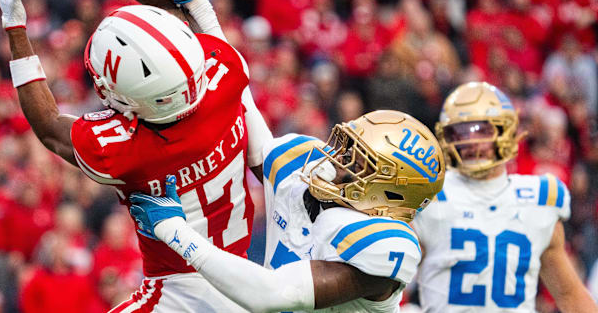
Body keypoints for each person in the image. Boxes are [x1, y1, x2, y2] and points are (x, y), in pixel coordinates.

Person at [0, 0, 272, 312]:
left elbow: (49, 128)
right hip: (245, 279)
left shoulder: (126, 149)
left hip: (177, 295)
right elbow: (176, 13)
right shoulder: (225, 73)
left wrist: (13, 20)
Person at [130, 110, 446, 312]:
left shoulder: (386, 245)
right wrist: (201, 14)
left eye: (358, 162)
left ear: (390, 193)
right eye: (347, 147)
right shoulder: (301, 171)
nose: (337, 160)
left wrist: (174, 230)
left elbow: (275, 293)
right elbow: (238, 103)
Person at [413, 82, 598, 312]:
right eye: (460, 132)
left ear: (507, 132)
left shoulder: (539, 198)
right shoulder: (429, 195)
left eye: (483, 130)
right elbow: (389, 279)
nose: (472, 142)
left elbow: (570, 294)